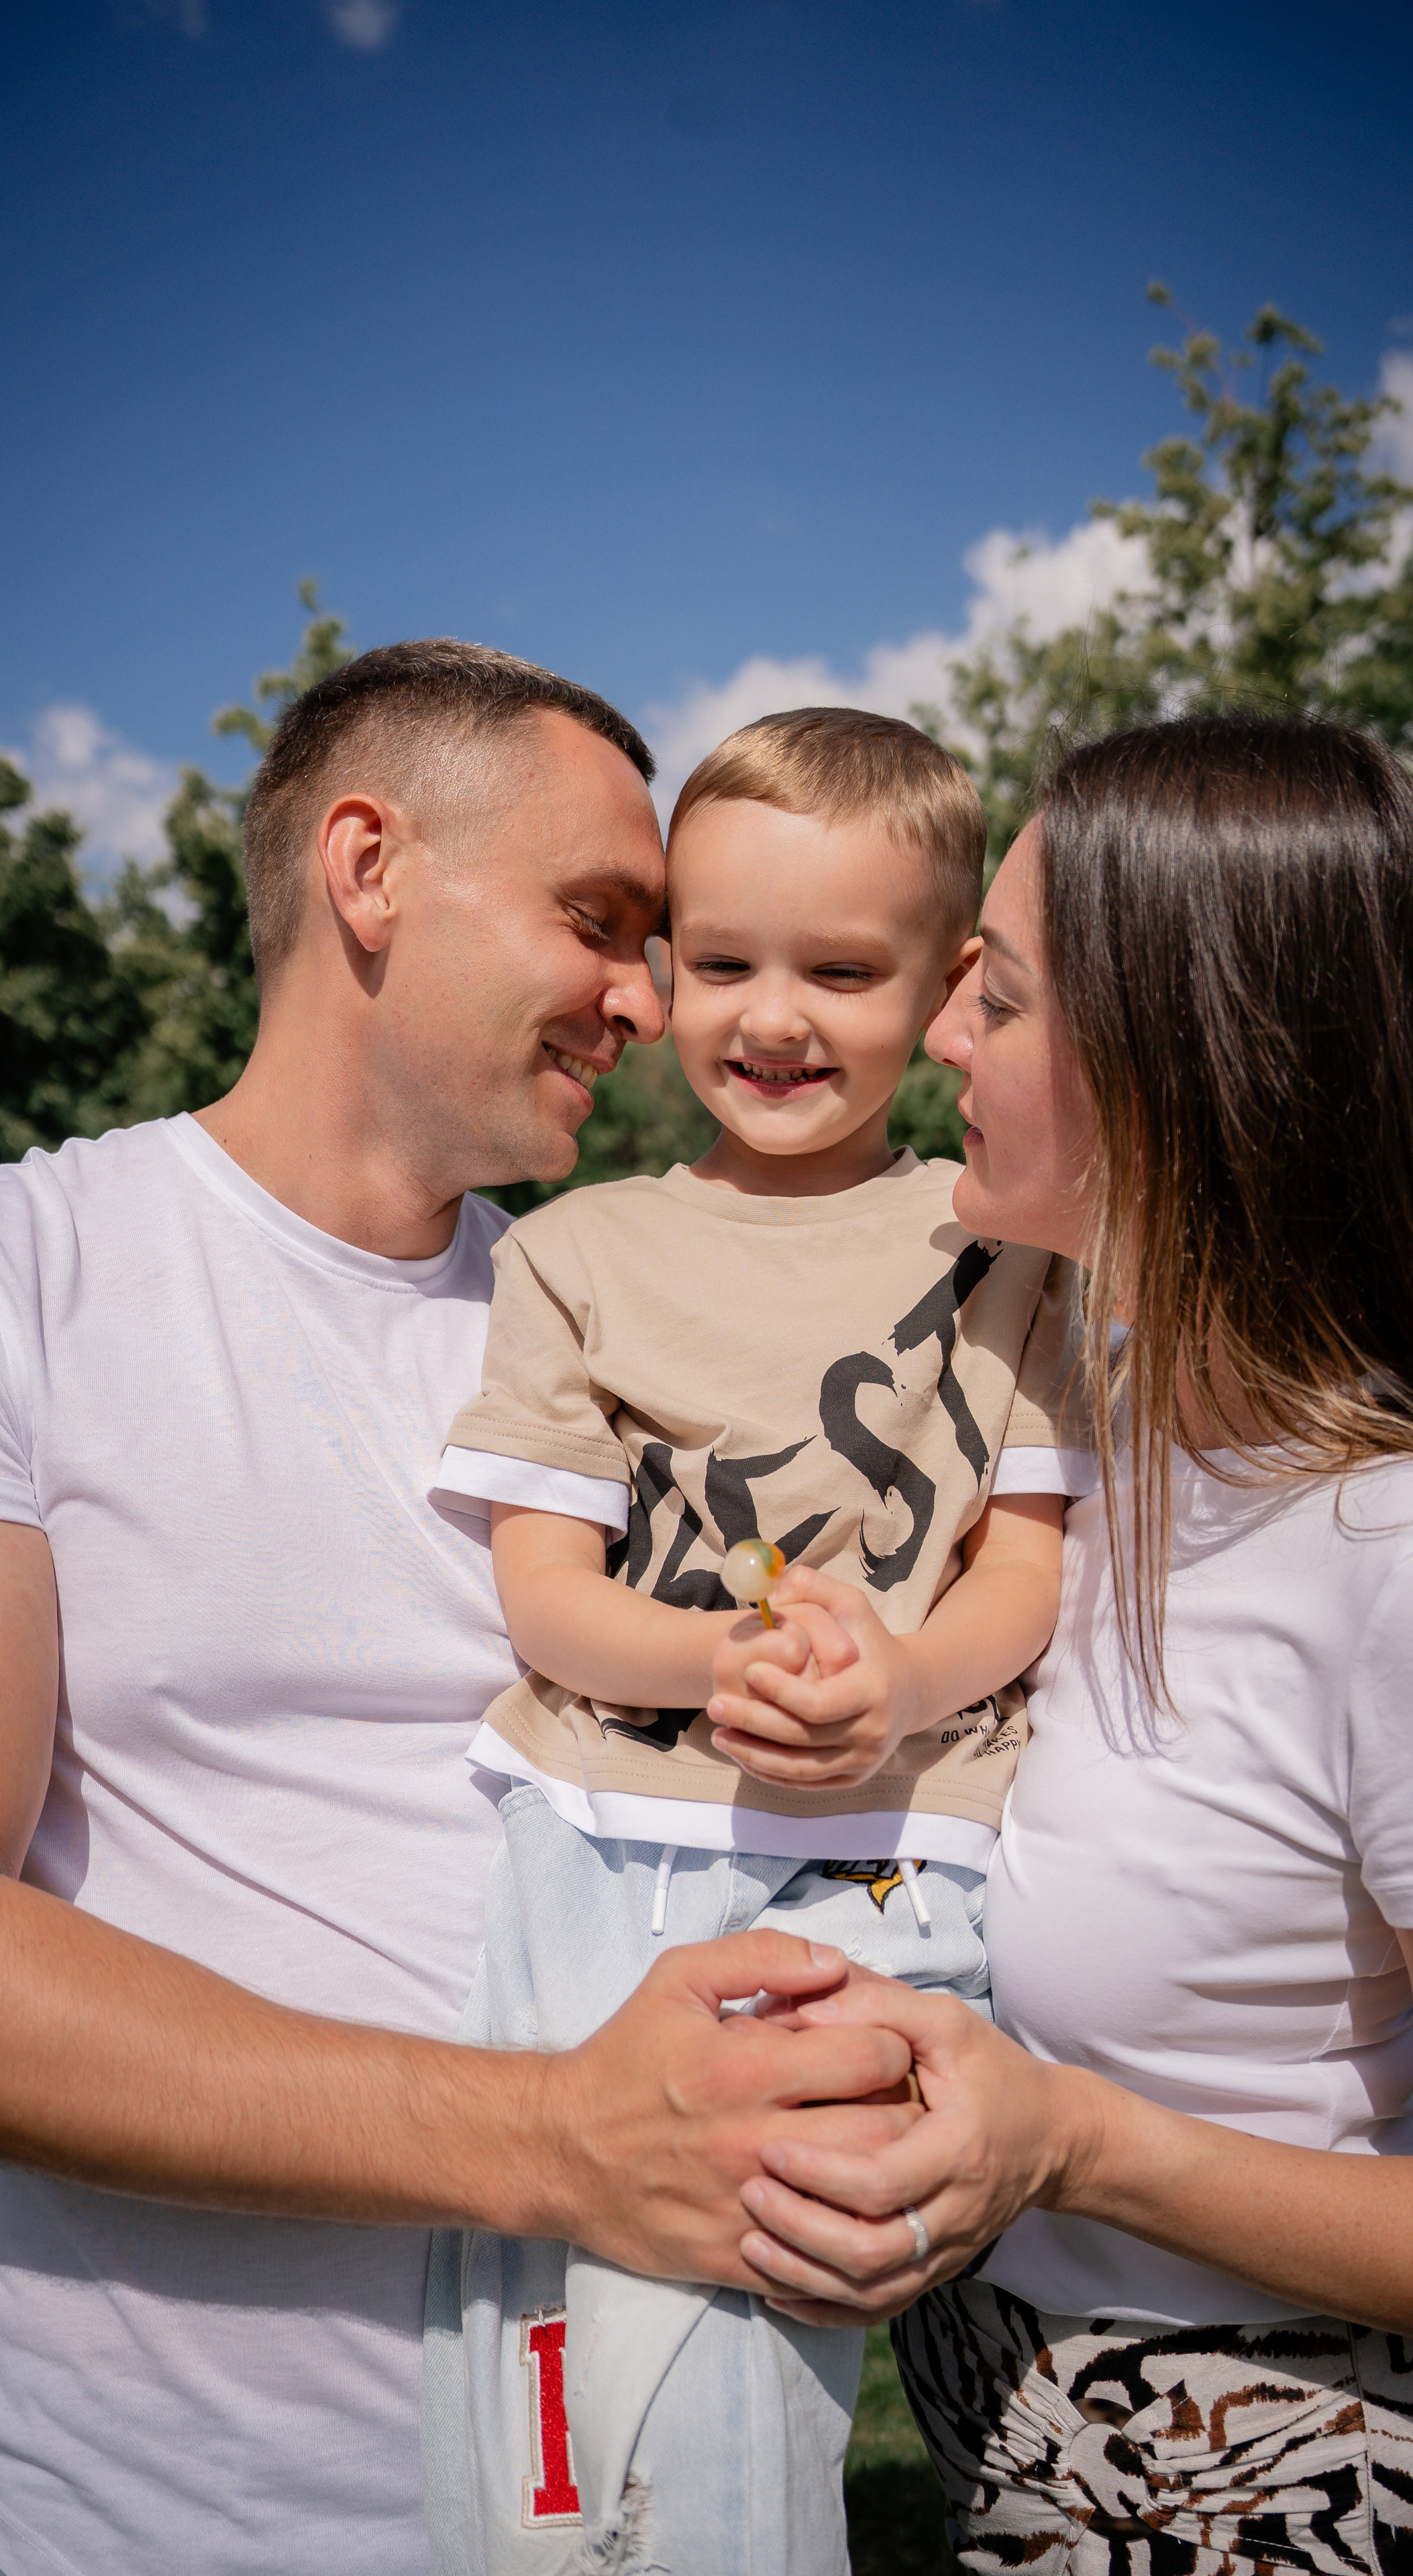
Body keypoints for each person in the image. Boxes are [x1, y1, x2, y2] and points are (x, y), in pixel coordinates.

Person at [0, 642, 915, 2576]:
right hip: (163, 2530)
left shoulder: (619, 1325)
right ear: (368, 868)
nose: (649, 1000)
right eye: (599, 921)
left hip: (657, 2503)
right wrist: (560, 2143)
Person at [716, 714, 1413, 2575]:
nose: (940, 1035)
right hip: (1004, 2458)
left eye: (1001, 997)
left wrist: (1079, 2145)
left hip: (1280, 2497)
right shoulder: (1070, 1429)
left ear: (1184, 1071)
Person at [419, 708, 1086, 2576]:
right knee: (544, 2346)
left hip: (891, 1865)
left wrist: (903, 1683)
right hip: (608, 1843)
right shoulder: (575, 1254)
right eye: (720, 964)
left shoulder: (1008, 1247)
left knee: (750, 2353)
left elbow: (1022, 1573)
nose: (771, 1019)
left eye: (841, 972)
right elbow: (546, 1598)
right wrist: (715, 1666)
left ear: (947, 988)